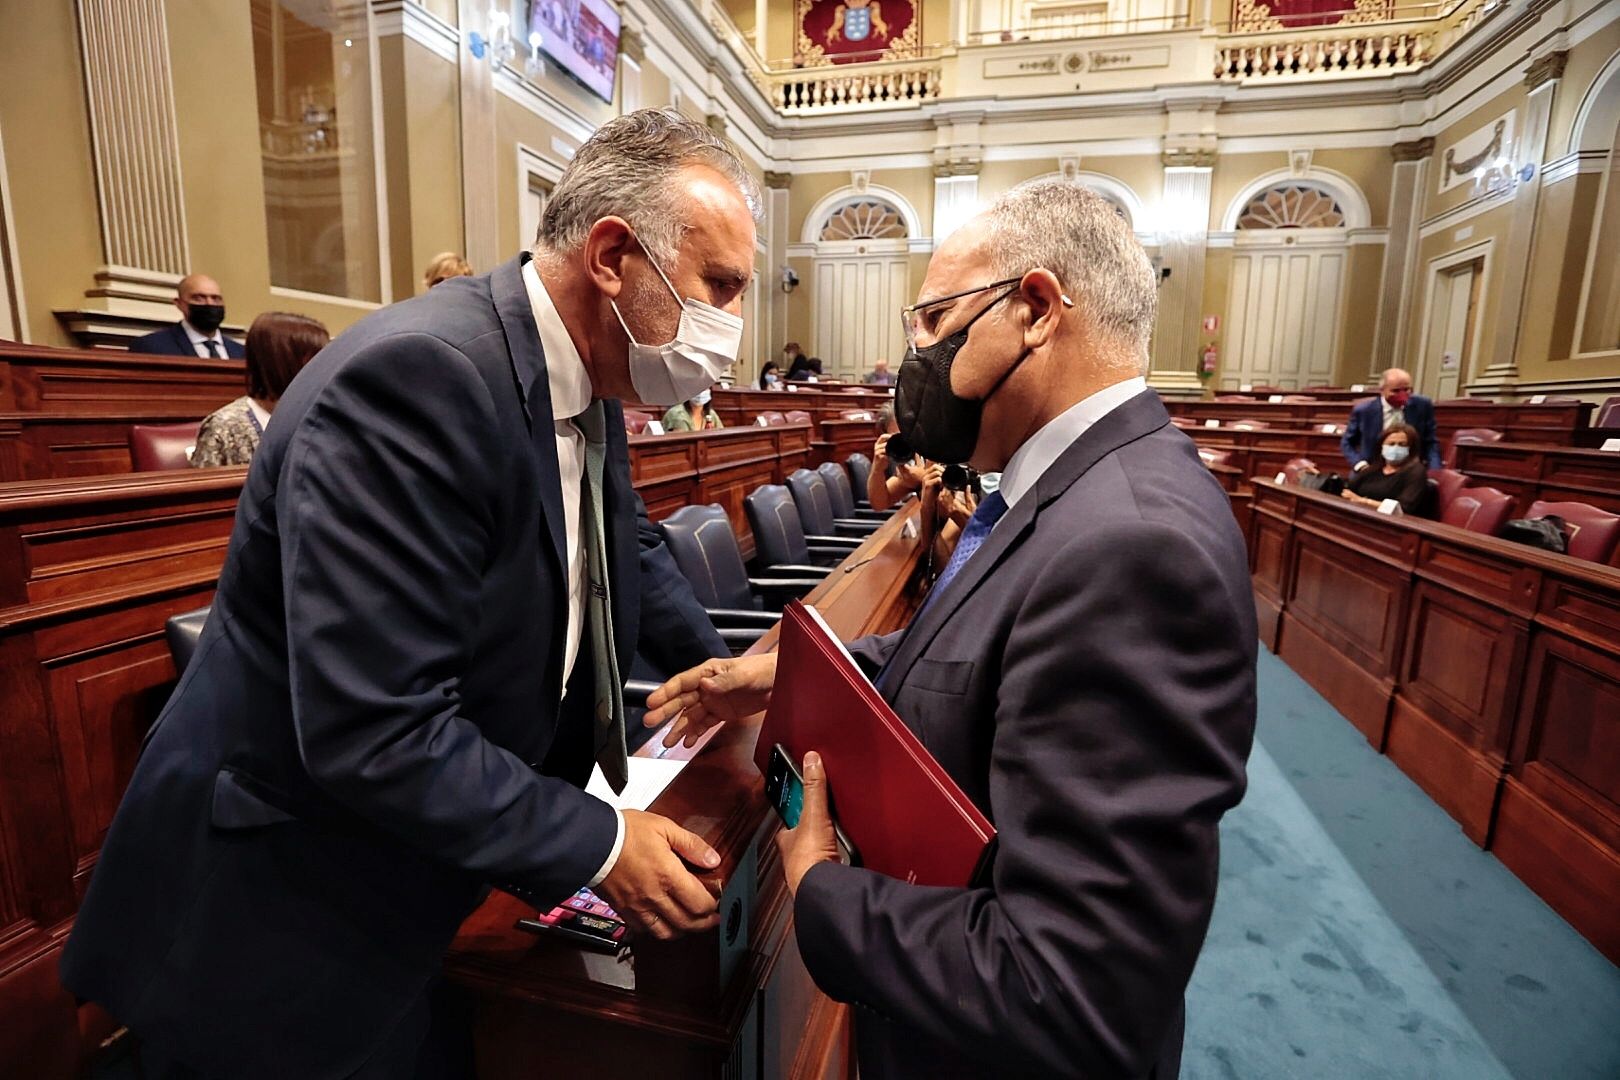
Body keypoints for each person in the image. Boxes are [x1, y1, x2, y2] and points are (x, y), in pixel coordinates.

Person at [61, 107, 756, 1080]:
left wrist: (718, 666)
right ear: (612, 257)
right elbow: (370, 728)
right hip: (288, 904)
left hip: (430, 860)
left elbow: (621, 549)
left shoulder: (584, 378)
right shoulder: (421, 375)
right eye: (720, 285)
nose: (732, 320)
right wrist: (598, 840)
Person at [645, 179, 1257, 1079]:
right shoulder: (1069, 488)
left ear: (1037, 309)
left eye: (933, 320)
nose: (915, 354)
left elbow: (1068, 984)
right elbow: (981, 655)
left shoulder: (1133, 545)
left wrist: (821, 887)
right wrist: (778, 675)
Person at [190, 312, 329, 468]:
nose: (325, 368)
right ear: (281, 361)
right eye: (316, 359)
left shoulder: (322, 417)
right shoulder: (224, 427)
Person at [1342, 367, 1440, 470]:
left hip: (1411, 469)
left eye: (1406, 390)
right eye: (1396, 391)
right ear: (1382, 390)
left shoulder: (1422, 405)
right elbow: (1347, 442)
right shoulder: (1364, 411)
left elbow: (1431, 442)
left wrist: (1435, 470)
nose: (1402, 395)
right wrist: (1360, 464)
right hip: (1371, 468)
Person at [128, 273, 246, 358]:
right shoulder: (151, 347)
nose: (209, 304)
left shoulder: (242, 353)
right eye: (199, 298)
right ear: (179, 304)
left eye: (216, 299)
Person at [1342, 422, 1429, 515]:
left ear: (1411, 448)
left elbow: (1403, 508)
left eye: (1402, 445)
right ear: (1382, 447)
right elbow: (1348, 490)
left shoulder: (1416, 472)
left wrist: (1363, 501)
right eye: (1391, 444)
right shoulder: (1374, 468)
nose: (1395, 448)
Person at [868, 404, 926, 510]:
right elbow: (879, 503)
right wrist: (877, 468)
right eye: (898, 438)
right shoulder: (912, 467)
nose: (905, 443)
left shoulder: (942, 453)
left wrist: (923, 479)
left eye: (907, 434)